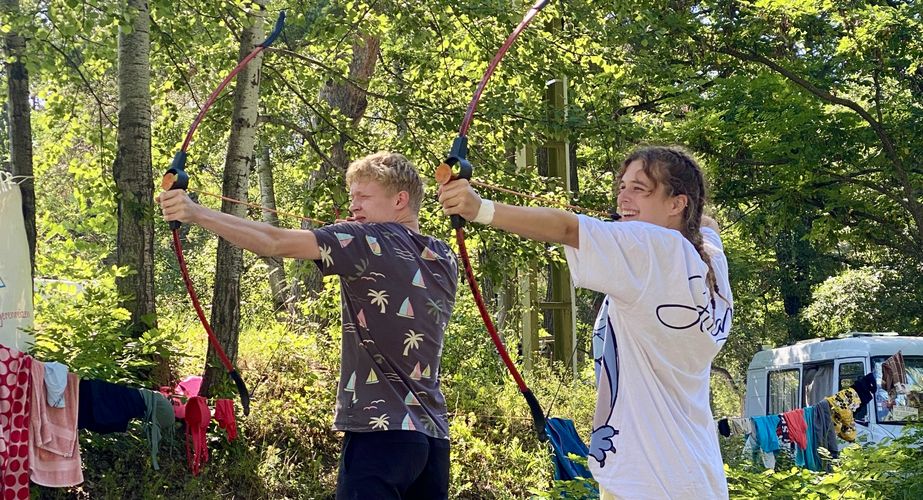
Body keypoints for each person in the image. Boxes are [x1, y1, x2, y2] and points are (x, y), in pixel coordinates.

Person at [439, 145, 733, 499]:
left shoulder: (652, 246)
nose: (623, 196)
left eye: (640, 188)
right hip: (696, 476)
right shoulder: (708, 261)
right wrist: (665, 214)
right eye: (622, 186)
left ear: (677, 203)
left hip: (647, 480)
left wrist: (479, 209)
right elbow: (709, 225)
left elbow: (566, 228)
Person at [159, 152, 458, 499]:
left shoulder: (364, 240)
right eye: (353, 196)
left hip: (380, 434)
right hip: (434, 440)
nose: (354, 204)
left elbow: (272, 241)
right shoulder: (443, 255)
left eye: (364, 196)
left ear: (400, 200)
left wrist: (195, 212)